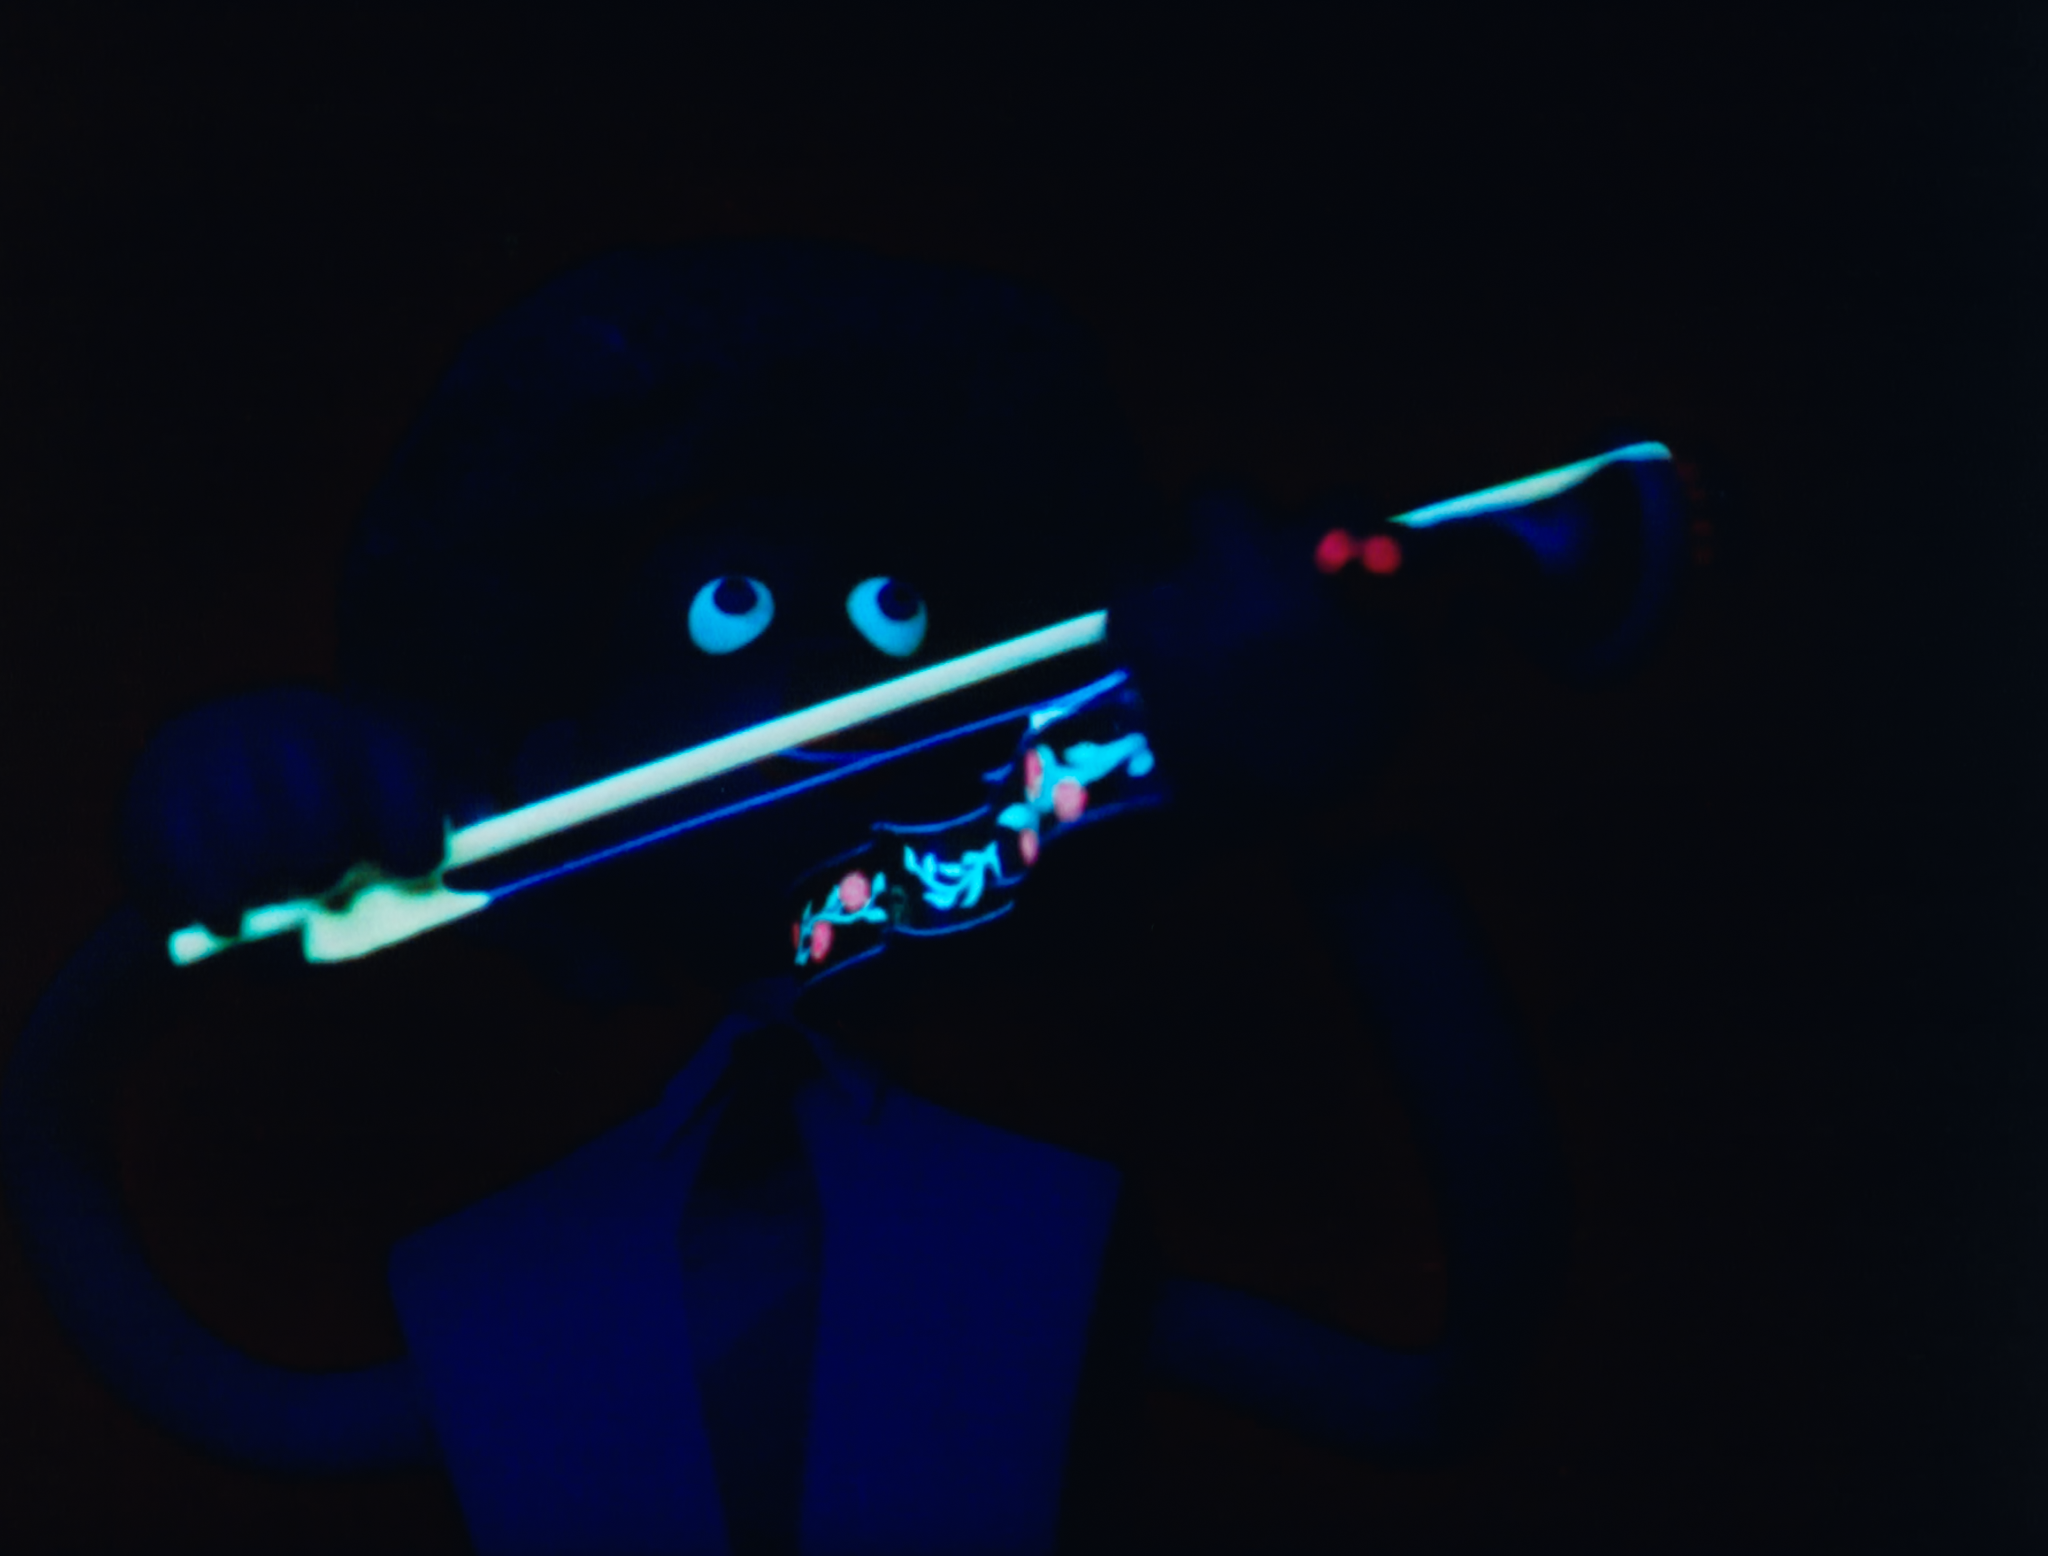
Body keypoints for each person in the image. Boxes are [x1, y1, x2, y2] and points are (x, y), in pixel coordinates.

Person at [2, 239, 1569, 1554]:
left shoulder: (1049, 1244)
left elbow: (1455, 1386)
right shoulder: (509, 1284)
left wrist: (1331, 809)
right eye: (731, 611)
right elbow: (89, 1201)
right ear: (555, 754)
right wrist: (219, 836)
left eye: (895, 616)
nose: (829, 672)